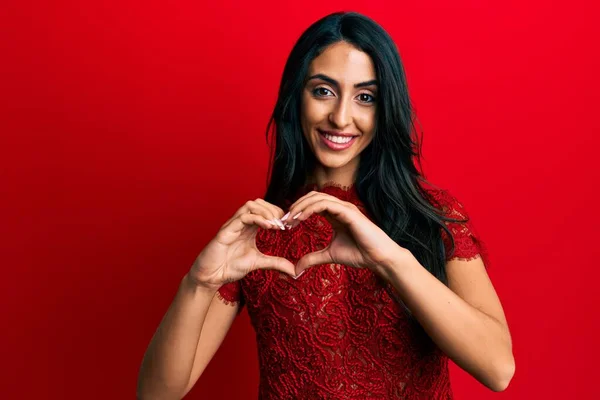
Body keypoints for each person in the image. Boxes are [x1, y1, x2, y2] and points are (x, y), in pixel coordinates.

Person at [137, 11, 515, 400]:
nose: (341, 117)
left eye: (365, 97)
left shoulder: (432, 214)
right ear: (296, 96)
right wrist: (199, 282)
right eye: (323, 91)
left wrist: (390, 259)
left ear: (386, 110)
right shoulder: (260, 235)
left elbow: (498, 368)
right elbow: (156, 394)